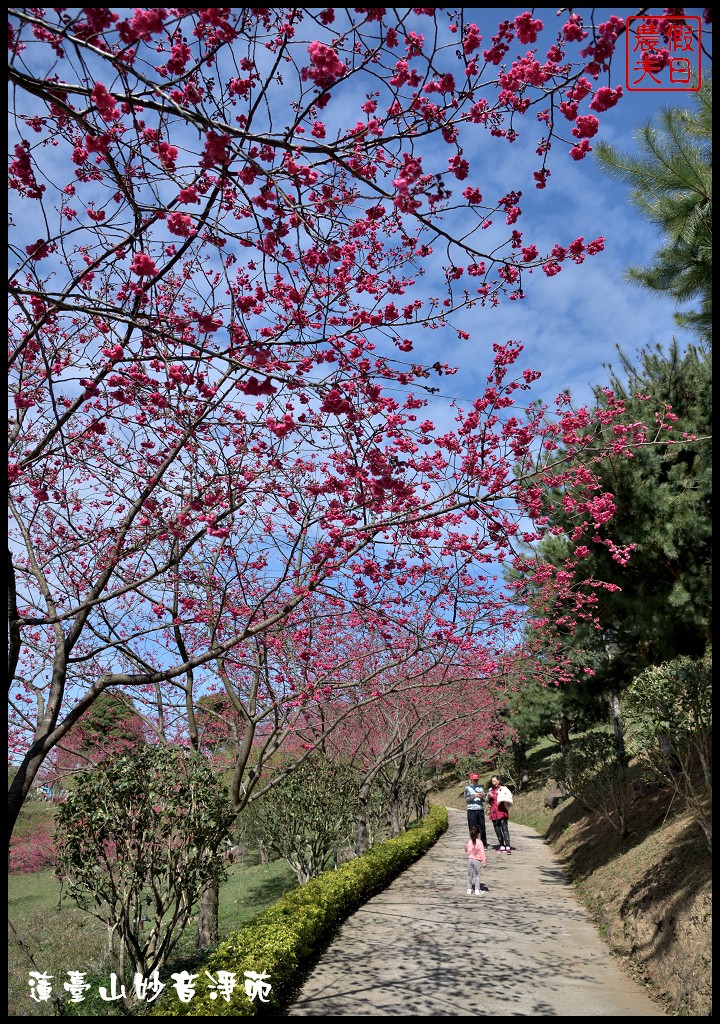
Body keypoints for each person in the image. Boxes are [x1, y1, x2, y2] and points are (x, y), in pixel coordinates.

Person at [460, 772, 488, 848]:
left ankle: (484, 844)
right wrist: (475, 795)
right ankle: (473, 843)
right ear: (471, 780)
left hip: (480, 809)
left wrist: (481, 797)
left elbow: (484, 799)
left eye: (476, 780)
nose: (475, 781)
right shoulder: (467, 788)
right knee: (472, 828)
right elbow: (467, 799)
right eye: (474, 780)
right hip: (471, 810)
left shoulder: (481, 788)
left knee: (482, 827)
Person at [486, 774, 512, 854]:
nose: (493, 783)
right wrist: (488, 795)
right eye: (492, 781)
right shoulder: (491, 790)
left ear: (499, 781)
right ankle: (501, 845)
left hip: (502, 812)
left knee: (504, 829)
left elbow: (509, 797)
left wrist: (502, 794)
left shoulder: (504, 789)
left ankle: (507, 847)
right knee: (497, 829)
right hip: (494, 812)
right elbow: (487, 801)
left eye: (495, 781)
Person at [464, 825, 487, 895]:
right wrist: (484, 861)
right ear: (478, 834)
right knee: (477, 875)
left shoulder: (469, 841)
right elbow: (482, 853)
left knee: (469, 874)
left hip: (469, 859)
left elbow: (465, 849)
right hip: (477, 860)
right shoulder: (479, 842)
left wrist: (468, 852)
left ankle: (469, 889)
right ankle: (477, 889)